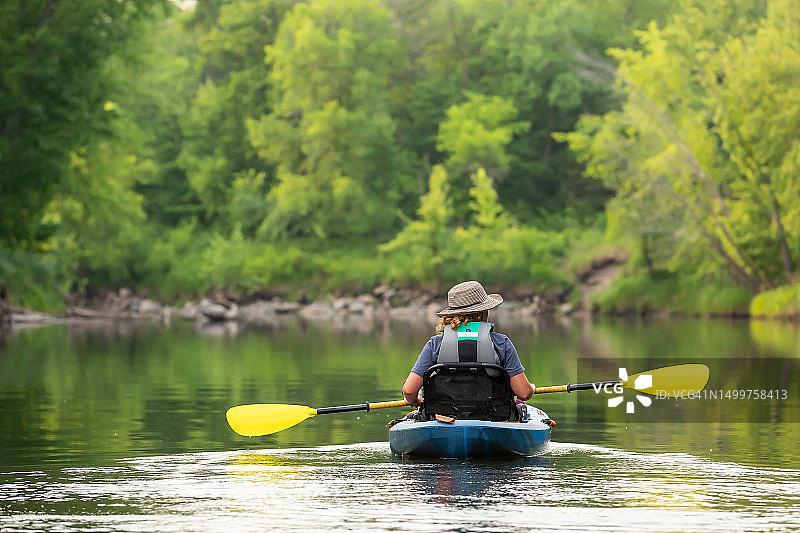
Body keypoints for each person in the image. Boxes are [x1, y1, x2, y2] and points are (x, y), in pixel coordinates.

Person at [401, 281, 535, 420]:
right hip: (493, 418)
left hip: (445, 419)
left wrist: (415, 401)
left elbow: (409, 391)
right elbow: (523, 394)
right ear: (483, 311)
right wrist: (531, 388)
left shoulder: (435, 344)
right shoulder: (502, 343)